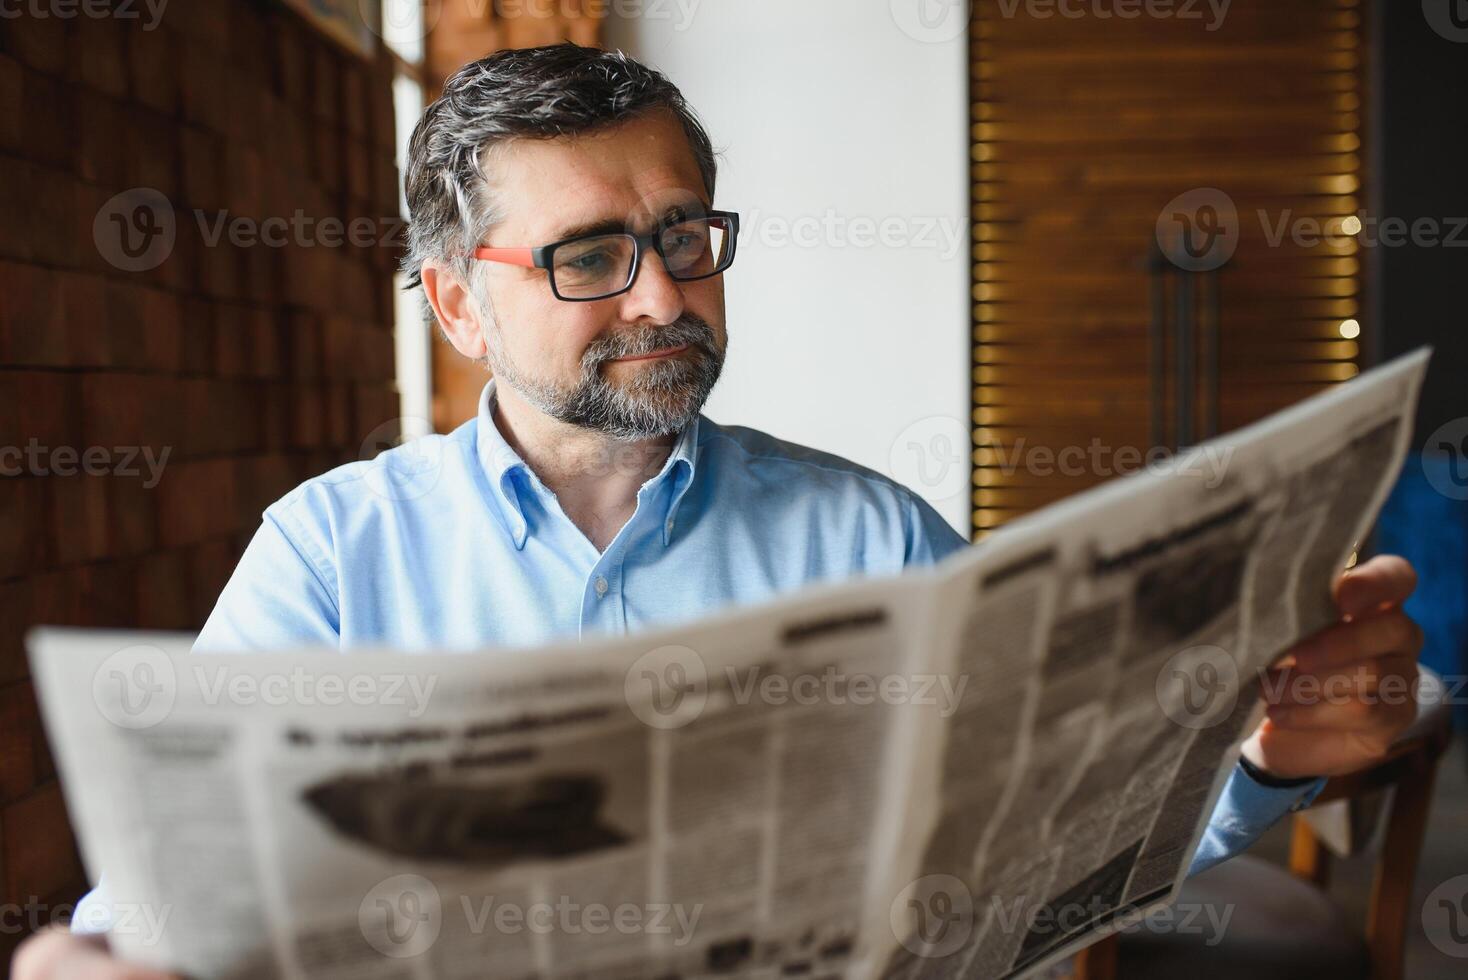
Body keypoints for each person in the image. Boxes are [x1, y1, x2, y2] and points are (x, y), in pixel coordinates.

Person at [16, 43, 1423, 979]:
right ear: (455, 301)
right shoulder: (331, 552)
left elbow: (1057, 841)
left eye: (685, 237)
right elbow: (165, 894)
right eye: (590, 257)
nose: (664, 297)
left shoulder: (872, 539)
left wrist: (1270, 760)